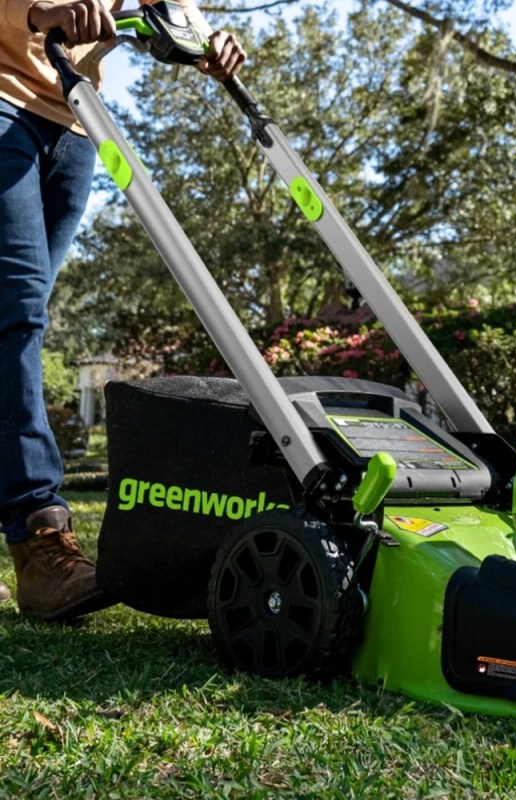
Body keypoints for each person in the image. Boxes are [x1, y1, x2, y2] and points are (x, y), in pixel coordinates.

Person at [1, 0, 244, 620]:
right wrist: (34, 11)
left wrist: (206, 43)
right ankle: (39, 532)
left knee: (14, 323)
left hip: (76, 119)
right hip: (3, 100)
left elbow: (170, 9)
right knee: (18, 313)